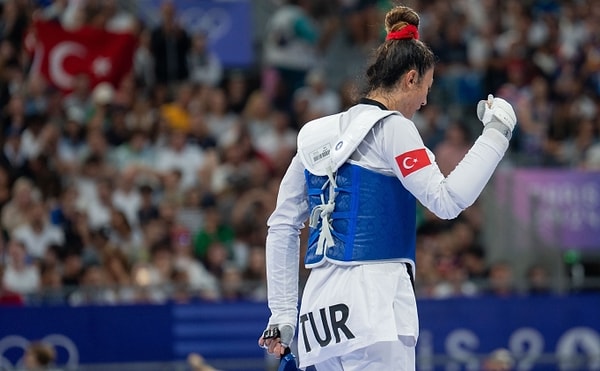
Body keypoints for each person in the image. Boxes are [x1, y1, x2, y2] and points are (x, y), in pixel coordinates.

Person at [258, 5, 517, 371]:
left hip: (318, 313)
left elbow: (282, 225)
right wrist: (497, 133)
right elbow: (447, 200)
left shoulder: (315, 134)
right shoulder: (392, 127)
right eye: (426, 88)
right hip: (374, 306)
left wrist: (282, 313)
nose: (425, 101)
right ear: (410, 79)